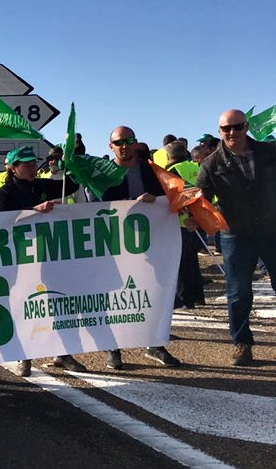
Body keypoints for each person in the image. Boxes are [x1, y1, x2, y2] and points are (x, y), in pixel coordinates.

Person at [195, 109, 276, 366]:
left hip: (272, 231)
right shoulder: (211, 164)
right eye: (226, 128)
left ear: (247, 127)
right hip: (236, 236)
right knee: (238, 293)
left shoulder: (269, 153)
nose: (232, 132)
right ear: (219, 131)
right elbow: (201, 198)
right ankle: (242, 343)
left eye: (237, 127)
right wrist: (195, 216)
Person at [97, 126, 183, 369]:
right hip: (115, 244)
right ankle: (113, 348)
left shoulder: (150, 170)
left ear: (135, 143)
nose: (124, 145)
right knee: (115, 295)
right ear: (110, 146)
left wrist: (154, 202)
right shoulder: (103, 173)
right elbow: (94, 205)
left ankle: (154, 344)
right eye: (119, 142)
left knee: (153, 290)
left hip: (149, 242)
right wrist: (129, 205)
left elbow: (169, 197)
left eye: (129, 140)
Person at [0, 147, 82, 376]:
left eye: (33, 163)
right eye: (26, 164)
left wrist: (64, 165)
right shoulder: (4, 193)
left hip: (48, 254)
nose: (32, 168)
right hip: (20, 258)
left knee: (56, 302)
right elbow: (4, 222)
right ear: (13, 167)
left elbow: (72, 186)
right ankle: (25, 356)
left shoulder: (42, 184)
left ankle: (62, 353)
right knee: (25, 306)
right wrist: (34, 211)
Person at [165, 141, 205, 309]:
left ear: (168, 156)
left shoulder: (172, 171)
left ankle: (185, 298)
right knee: (192, 260)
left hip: (182, 221)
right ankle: (198, 296)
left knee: (181, 262)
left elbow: (172, 196)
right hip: (200, 218)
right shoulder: (195, 167)